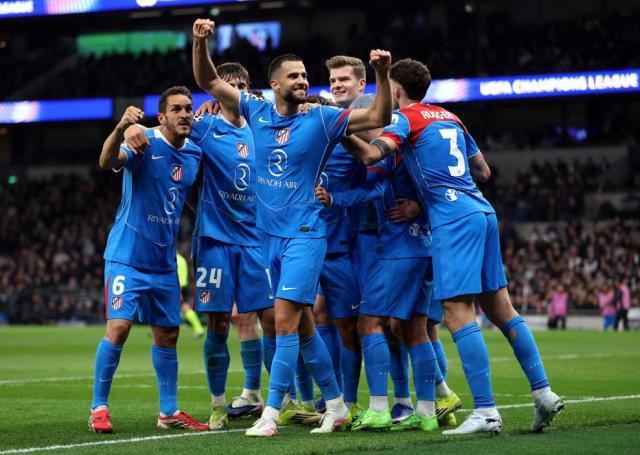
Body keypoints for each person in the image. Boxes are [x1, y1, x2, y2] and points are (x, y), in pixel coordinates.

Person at [191, 18, 393, 437]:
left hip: (305, 235)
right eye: (295, 76)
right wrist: (199, 42)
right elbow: (208, 81)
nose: (303, 80)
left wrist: (382, 74)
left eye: (304, 75)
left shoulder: (321, 118)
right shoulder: (256, 110)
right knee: (302, 327)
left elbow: (379, 114)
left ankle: (270, 414)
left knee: (284, 321)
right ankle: (336, 405)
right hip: (266, 238)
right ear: (274, 84)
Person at [340, 58, 563, 435]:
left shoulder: (405, 118)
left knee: (458, 312)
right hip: (482, 212)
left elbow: (371, 155)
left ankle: (486, 411)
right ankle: (543, 392)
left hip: (452, 220)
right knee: (503, 309)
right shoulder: (451, 117)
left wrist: (336, 129)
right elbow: (483, 171)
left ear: (396, 90)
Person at [124, 63, 280, 430]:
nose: (236, 89)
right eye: (229, 84)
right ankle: (218, 404)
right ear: (216, 91)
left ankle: (270, 397)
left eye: (242, 84)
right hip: (214, 240)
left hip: (256, 238)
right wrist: (129, 128)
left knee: (270, 319)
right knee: (219, 323)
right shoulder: (204, 126)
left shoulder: (262, 126)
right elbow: (166, 128)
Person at [89, 87, 208, 433]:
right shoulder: (143, 141)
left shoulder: (195, 153)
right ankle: (98, 408)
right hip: (127, 256)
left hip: (164, 262)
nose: (184, 114)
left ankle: (168, 412)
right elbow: (107, 161)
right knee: (119, 328)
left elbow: (184, 196)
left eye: (188, 108)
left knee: (168, 334)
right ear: (162, 116)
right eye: (177, 109)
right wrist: (120, 128)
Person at [315, 150, 460, 433]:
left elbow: (373, 187)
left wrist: (334, 199)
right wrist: (421, 207)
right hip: (421, 246)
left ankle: (382, 407)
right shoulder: (420, 155)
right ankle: (429, 410)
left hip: (397, 249)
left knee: (371, 323)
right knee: (411, 328)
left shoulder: (390, 150)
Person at [177, 249, 205, 338]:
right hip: (184, 285)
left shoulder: (175, 259)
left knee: (166, 307)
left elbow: (178, 275)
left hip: (178, 286)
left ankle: (161, 328)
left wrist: (179, 290)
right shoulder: (182, 259)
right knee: (185, 307)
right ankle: (199, 329)